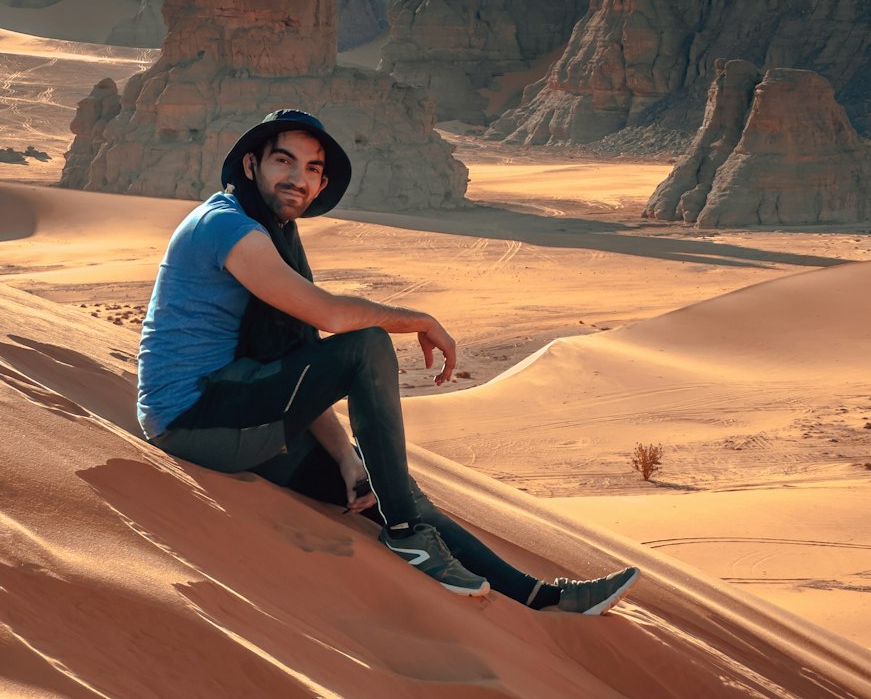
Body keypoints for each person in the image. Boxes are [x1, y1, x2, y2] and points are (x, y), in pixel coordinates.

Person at [137, 108, 638, 614]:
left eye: (312, 169)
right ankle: (405, 534)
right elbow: (329, 317)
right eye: (284, 161)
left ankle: (542, 598)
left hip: (238, 411)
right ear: (250, 166)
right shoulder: (227, 226)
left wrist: (345, 456)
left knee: (385, 482)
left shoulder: (271, 233)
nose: (298, 178)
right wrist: (417, 320)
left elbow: (296, 362)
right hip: (195, 417)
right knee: (369, 344)